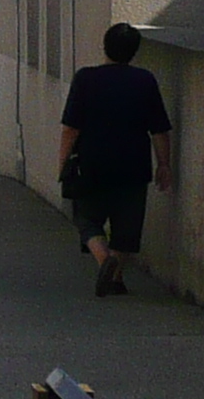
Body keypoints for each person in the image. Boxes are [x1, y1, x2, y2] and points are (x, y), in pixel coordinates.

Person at [59, 22, 173, 297]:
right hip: (134, 164)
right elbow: (159, 129)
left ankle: (103, 257)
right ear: (135, 51)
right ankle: (116, 277)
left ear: (105, 46)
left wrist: (62, 162)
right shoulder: (145, 80)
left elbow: (71, 128)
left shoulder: (86, 78)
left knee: (87, 219)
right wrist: (164, 164)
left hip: (92, 162)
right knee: (127, 227)